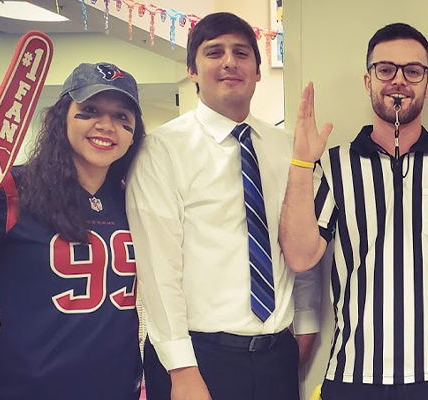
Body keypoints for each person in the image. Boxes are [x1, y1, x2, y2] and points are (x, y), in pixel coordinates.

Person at [279, 22, 428, 400]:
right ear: (368, 80)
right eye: (385, 70)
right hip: (353, 374)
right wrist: (300, 164)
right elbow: (300, 255)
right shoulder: (334, 166)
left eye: (413, 71)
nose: (398, 81)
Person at [0, 62, 146, 399]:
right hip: (27, 389)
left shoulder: (135, 199)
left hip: (118, 389)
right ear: (61, 117)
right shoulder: (12, 191)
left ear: (134, 132)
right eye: (90, 110)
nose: (107, 125)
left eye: (122, 117)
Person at [126, 12, 320, 400]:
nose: (230, 62)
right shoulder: (162, 150)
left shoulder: (288, 148)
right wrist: (181, 367)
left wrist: (307, 322)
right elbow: (157, 270)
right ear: (192, 70)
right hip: (198, 357)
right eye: (214, 52)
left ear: (257, 71)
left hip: (276, 356)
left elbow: (300, 245)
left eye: (241, 53)